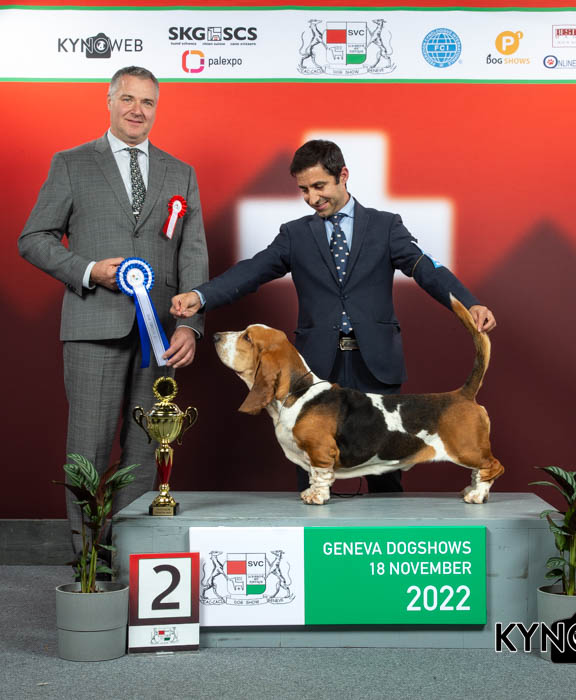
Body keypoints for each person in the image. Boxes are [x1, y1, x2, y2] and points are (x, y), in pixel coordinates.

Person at [170, 139, 495, 493]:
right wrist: (201, 296)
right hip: (315, 370)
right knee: (314, 470)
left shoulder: (385, 226)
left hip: (376, 366)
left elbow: (425, 268)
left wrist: (469, 302)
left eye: (319, 186)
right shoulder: (294, 234)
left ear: (343, 175)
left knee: (386, 480)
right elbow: (252, 271)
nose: (312, 198)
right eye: (304, 190)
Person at [18, 66, 209, 553]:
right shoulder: (72, 163)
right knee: (88, 449)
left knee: (147, 448)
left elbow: (193, 255)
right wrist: (88, 270)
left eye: (147, 102)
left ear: (156, 109)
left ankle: (125, 555)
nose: (137, 110)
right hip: (92, 327)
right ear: (108, 102)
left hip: (160, 335)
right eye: (127, 99)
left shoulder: (180, 172)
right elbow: (33, 238)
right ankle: (88, 562)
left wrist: (190, 325)